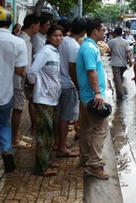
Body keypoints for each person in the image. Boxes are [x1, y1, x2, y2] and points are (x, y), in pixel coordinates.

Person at [0, 6, 27, 173]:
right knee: (2, 124)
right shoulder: (18, 42)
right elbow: (19, 71)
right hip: (5, 93)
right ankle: (6, 149)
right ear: (9, 23)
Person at [27, 25, 64, 177]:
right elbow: (31, 71)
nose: (59, 38)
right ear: (49, 37)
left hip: (52, 98)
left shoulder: (55, 52)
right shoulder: (45, 52)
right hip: (44, 99)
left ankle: (46, 159)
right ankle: (40, 167)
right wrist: (38, 88)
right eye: (55, 35)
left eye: (61, 35)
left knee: (50, 130)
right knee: (44, 132)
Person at [76, 17, 110, 179]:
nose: (104, 32)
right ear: (95, 31)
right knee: (101, 129)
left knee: (86, 127)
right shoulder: (89, 48)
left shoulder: (89, 46)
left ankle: (84, 157)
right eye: (103, 29)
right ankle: (94, 164)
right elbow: (91, 71)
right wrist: (97, 93)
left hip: (87, 95)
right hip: (92, 97)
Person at [53, 18, 86, 158]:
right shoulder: (74, 46)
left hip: (58, 83)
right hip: (67, 85)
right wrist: (78, 86)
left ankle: (57, 143)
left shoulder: (62, 40)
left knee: (59, 116)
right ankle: (62, 148)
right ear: (84, 32)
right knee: (65, 118)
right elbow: (72, 68)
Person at [11, 14, 40, 149]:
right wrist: (27, 77)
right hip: (19, 79)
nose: (38, 28)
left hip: (22, 77)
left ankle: (17, 134)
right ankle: (14, 139)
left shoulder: (26, 39)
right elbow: (22, 65)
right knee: (17, 109)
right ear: (33, 25)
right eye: (38, 25)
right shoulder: (22, 40)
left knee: (19, 108)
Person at [107, 27, 132, 100]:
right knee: (119, 77)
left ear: (115, 33)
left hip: (115, 63)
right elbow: (128, 52)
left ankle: (120, 92)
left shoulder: (112, 41)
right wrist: (130, 61)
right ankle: (119, 91)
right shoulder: (125, 42)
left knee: (118, 78)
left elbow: (108, 50)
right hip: (123, 63)